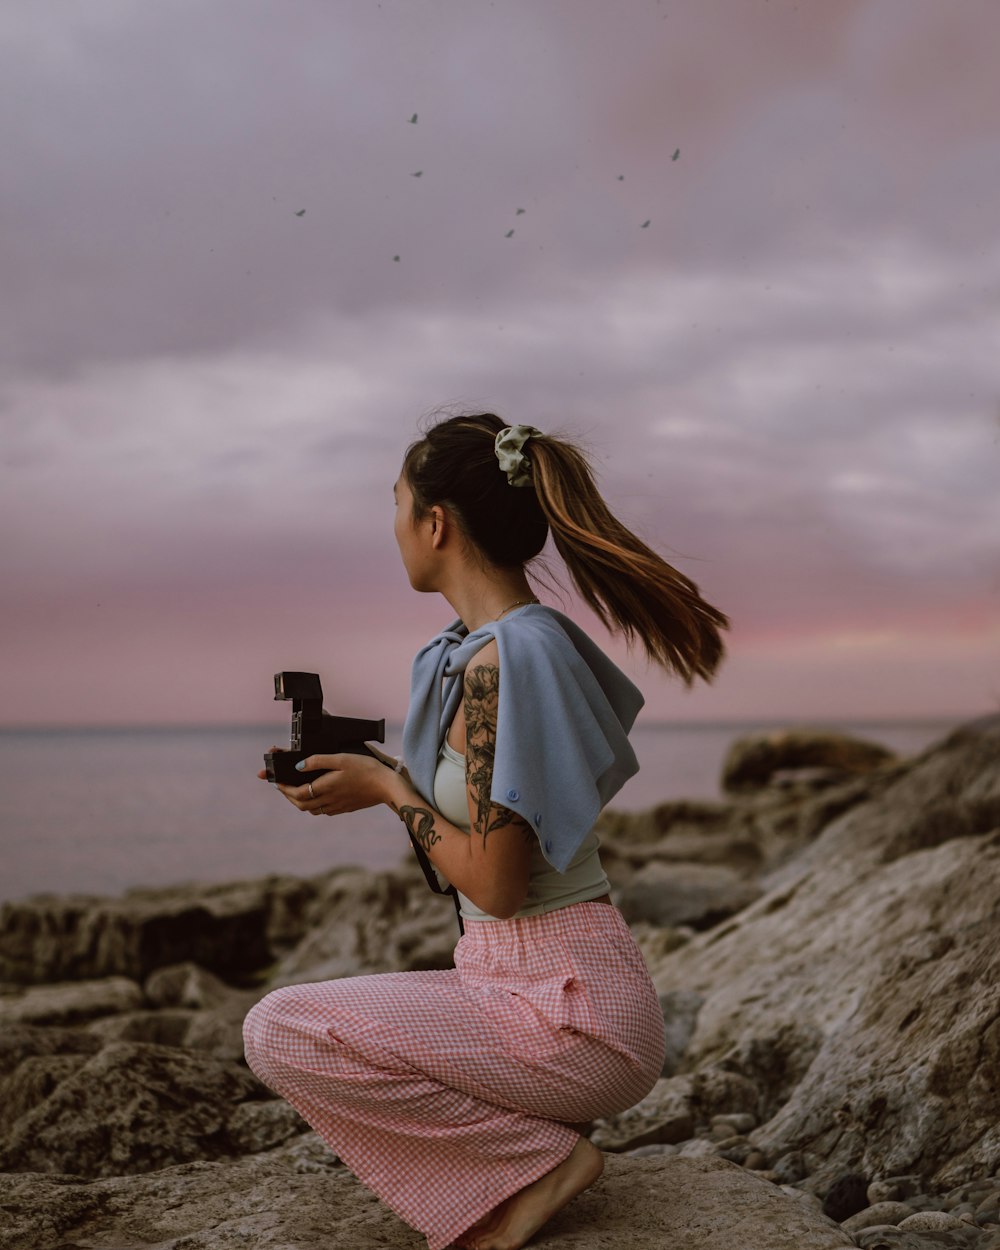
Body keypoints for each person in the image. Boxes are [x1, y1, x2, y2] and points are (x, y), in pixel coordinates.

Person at [242, 412, 729, 1250]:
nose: (393, 525)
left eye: (397, 504)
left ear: (435, 524)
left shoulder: (503, 664)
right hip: (519, 988)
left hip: (571, 1017)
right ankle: (531, 1157)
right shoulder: (490, 651)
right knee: (295, 1023)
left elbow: (498, 884)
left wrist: (391, 790)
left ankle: (537, 1164)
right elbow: (485, 803)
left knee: (279, 1029)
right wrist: (370, 773)